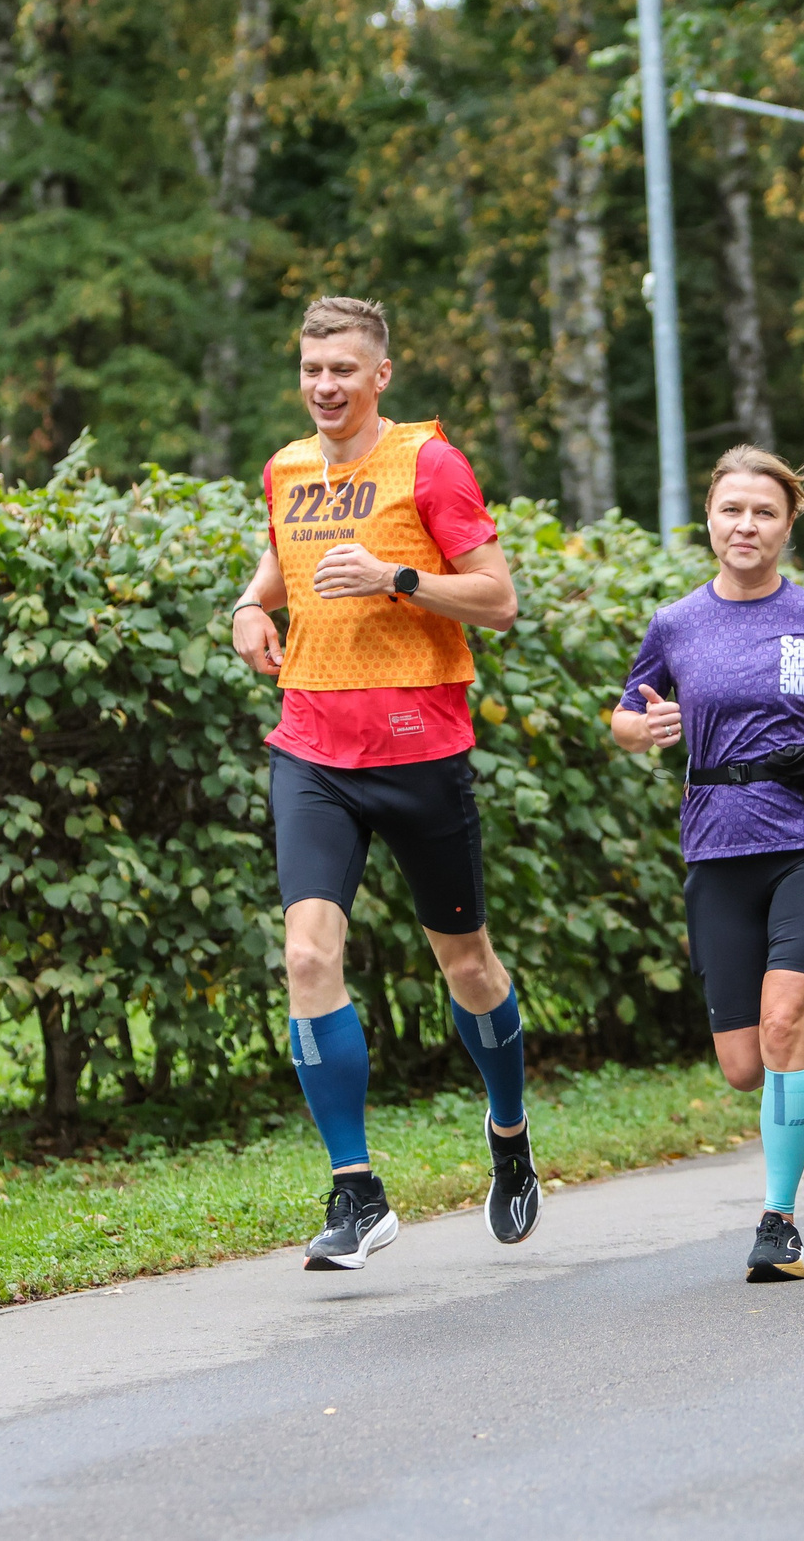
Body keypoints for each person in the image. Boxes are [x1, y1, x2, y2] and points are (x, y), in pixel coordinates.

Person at [229, 296, 539, 1272]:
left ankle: (509, 1133)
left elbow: (498, 599)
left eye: (343, 370)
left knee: (469, 966)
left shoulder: (429, 464)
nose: (325, 386)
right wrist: (248, 607)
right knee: (307, 956)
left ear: (380, 376)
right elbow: (283, 565)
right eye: (312, 369)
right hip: (313, 749)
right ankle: (356, 1190)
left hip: (418, 749)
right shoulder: (286, 467)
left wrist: (398, 578)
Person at [613, 447, 804, 1283]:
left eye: (764, 512)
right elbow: (624, 717)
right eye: (731, 509)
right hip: (716, 849)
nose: (746, 525)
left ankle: (780, 1224)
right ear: (709, 518)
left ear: (788, 524)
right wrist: (642, 730)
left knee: (776, 1030)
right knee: (744, 1066)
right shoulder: (675, 623)